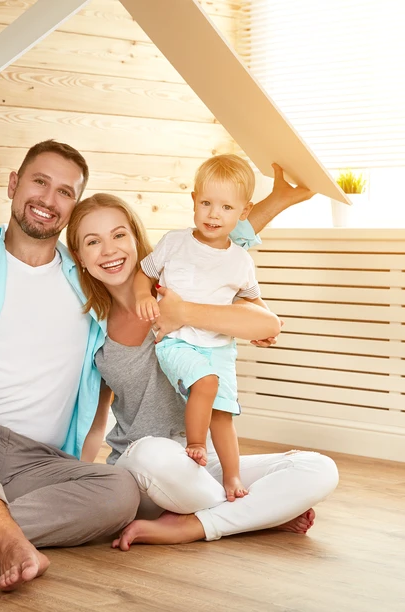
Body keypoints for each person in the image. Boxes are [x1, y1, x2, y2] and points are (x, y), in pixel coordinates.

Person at [0, 127, 319, 590]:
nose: (49, 199)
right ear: (14, 184)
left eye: (64, 192)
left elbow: (213, 248)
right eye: (39, 182)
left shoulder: (94, 282)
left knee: (119, 491)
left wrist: (230, 307)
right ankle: (4, 535)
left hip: (43, 468)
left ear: (73, 211)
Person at [67, 192, 340, 550]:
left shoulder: (183, 285)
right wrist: (77, 479)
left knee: (318, 470)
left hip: (205, 462)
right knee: (154, 453)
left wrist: (182, 313)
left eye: (118, 235)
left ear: (136, 238)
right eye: (93, 242)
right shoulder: (92, 328)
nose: (109, 250)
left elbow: (267, 324)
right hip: (145, 470)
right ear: (80, 258)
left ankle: (194, 524)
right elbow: (95, 421)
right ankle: (256, 515)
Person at [134, 154, 263, 502]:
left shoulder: (241, 260)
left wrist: (263, 327)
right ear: (193, 200)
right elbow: (144, 273)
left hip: (220, 347)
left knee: (223, 415)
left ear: (244, 212)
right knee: (205, 383)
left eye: (225, 207)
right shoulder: (174, 243)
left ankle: (232, 478)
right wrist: (142, 296)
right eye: (206, 203)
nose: (213, 214)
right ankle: (195, 444)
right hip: (177, 342)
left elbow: (253, 301)